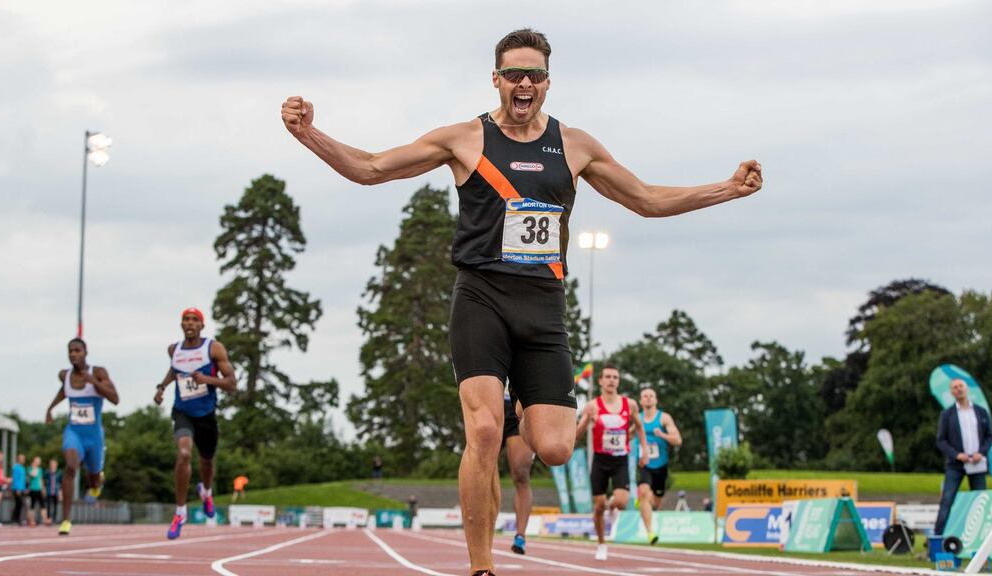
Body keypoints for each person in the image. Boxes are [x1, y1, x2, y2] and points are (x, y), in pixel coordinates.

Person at [282, 28, 762, 575]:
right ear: (497, 80)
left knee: (555, 448)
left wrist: (727, 188)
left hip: (544, 306)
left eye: (534, 74)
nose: (524, 82)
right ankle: (481, 567)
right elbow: (370, 167)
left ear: (548, 82)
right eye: (514, 74)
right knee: (484, 432)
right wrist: (308, 133)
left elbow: (647, 200)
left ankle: (538, 411)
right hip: (481, 295)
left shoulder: (575, 145)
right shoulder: (464, 139)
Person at [154, 307, 236, 540]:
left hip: (206, 415)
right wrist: (162, 387)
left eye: (194, 320)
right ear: (181, 325)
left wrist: (208, 379)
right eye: (185, 320)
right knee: (184, 454)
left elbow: (232, 383)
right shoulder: (174, 349)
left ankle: (206, 492)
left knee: (207, 462)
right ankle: (180, 512)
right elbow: (175, 369)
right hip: (183, 412)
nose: (189, 323)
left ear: (202, 325)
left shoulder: (213, 348)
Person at [45, 338, 119, 535]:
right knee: (70, 466)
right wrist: (50, 408)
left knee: (94, 478)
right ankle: (66, 520)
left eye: (77, 351)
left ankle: (97, 481)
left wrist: (93, 382)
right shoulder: (65, 375)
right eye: (70, 351)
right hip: (74, 432)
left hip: (94, 436)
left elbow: (115, 399)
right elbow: (64, 391)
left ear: (85, 353)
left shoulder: (98, 372)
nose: (73, 354)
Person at [575, 364, 648, 560]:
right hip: (600, 461)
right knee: (598, 507)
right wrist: (586, 420)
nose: (611, 380)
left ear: (618, 381)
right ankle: (601, 544)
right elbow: (577, 435)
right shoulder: (592, 406)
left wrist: (645, 450)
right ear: (600, 381)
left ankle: (613, 506)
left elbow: (639, 427)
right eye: (607, 376)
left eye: (615, 377)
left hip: (620, 460)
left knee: (622, 502)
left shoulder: (629, 404)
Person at [934, 377, 992, 535]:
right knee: (947, 501)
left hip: (977, 464)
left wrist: (980, 453)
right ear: (951, 392)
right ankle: (937, 541)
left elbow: (990, 436)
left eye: (961, 386)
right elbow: (941, 440)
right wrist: (956, 454)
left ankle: (981, 539)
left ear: (966, 388)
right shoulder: (947, 415)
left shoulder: (981, 412)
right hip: (956, 465)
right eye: (955, 387)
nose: (958, 389)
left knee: (980, 501)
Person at [632, 388, 682, 544]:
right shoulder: (637, 419)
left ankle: (643, 502)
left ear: (656, 400)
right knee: (645, 492)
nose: (648, 398)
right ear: (640, 401)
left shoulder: (664, 418)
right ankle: (650, 533)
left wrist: (662, 435)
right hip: (643, 463)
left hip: (661, 465)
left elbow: (678, 440)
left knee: (656, 501)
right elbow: (626, 434)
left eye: (651, 396)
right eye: (644, 396)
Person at [501, 388, 535, 555]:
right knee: (484, 467)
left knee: (521, 474)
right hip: (489, 400)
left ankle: (520, 536)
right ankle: (480, 533)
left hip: (519, 403)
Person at [27, 456, 49, 526]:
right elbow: (33, 475)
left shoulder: (40, 469)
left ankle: (45, 520)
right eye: (38, 460)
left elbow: (40, 479)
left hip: (39, 489)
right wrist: (34, 467)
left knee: (43, 505)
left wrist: (43, 488)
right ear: (34, 461)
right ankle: (31, 521)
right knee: (32, 505)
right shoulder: (30, 468)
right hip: (33, 489)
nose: (39, 462)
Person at [10, 453, 28, 526]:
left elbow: (23, 479)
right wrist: (17, 489)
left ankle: (16, 519)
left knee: (19, 504)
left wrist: (25, 488)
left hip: (22, 488)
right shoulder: (16, 467)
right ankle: (18, 519)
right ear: (18, 459)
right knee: (22, 503)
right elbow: (15, 479)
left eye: (24, 458)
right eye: (22, 458)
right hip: (17, 489)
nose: (23, 460)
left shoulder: (22, 468)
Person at [45, 458, 61, 525]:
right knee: (48, 505)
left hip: (56, 491)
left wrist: (60, 492)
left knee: (55, 506)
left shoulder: (59, 472)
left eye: (54, 464)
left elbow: (60, 482)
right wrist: (43, 489)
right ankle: (48, 519)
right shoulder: (47, 472)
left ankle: (54, 519)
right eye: (52, 464)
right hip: (49, 490)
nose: (53, 465)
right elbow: (44, 480)